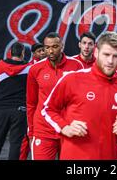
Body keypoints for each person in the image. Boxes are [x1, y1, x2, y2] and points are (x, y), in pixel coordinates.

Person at [42, 32, 117, 160]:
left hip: (109, 155)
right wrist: (64, 127)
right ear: (96, 52)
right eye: (106, 55)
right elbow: (48, 109)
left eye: (115, 56)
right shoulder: (73, 79)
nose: (110, 61)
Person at [26, 32, 83, 160]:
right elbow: (31, 103)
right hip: (43, 130)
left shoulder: (76, 66)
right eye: (47, 47)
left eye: (55, 47)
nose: (50, 51)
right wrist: (31, 132)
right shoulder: (35, 69)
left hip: (68, 129)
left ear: (62, 46)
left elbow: (81, 100)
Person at [0, 42, 31, 160]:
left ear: (10, 52)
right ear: (23, 53)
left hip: (3, 109)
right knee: (15, 143)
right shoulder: (29, 68)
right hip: (20, 110)